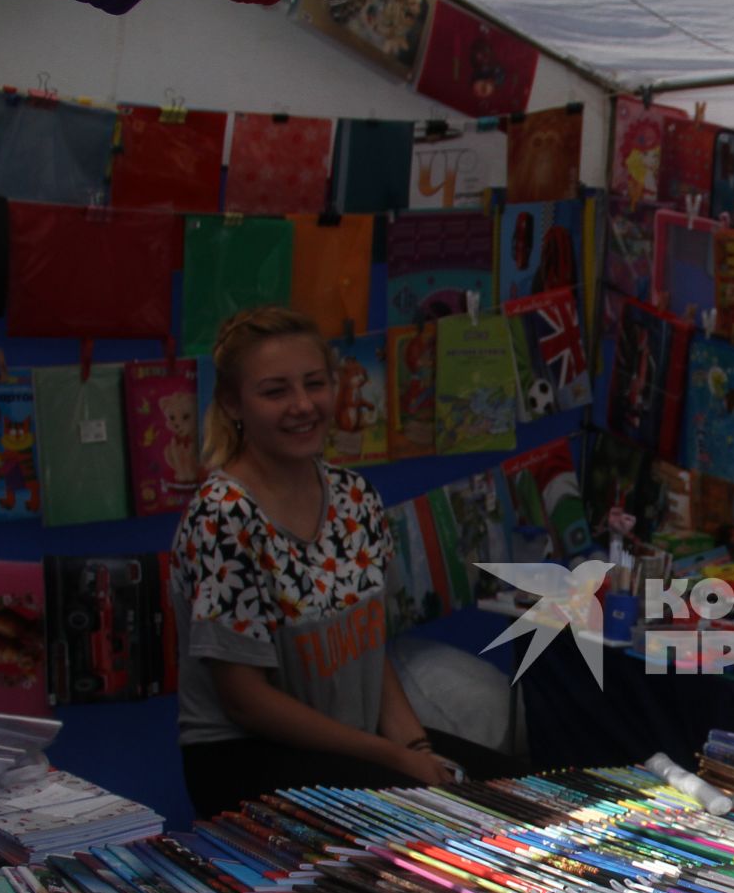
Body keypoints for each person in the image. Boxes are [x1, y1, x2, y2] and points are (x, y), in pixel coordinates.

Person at [171, 306, 524, 819]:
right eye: (275, 391)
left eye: (314, 384)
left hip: (356, 743)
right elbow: (246, 701)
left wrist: (420, 750)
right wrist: (394, 758)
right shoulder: (224, 516)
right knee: (444, 822)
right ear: (232, 403)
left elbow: (367, 651)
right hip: (246, 760)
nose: (301, 405)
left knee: (517, 794)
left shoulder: (354, 497)